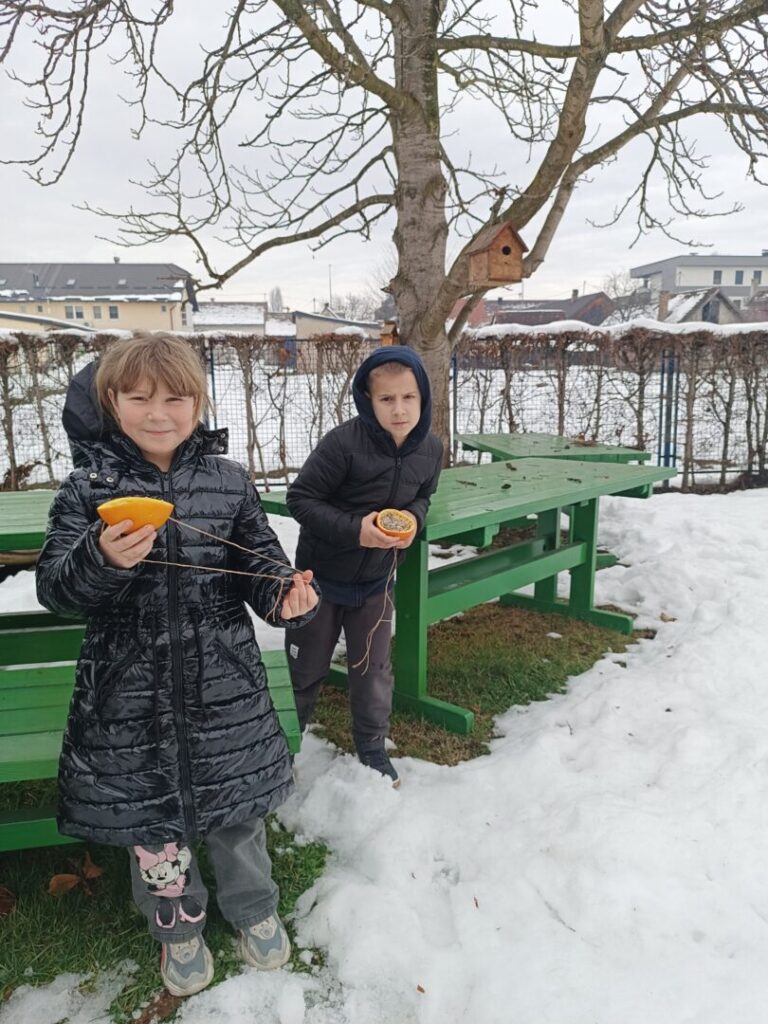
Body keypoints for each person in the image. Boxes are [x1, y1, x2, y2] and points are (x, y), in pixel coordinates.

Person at [36, 333, 319, 998]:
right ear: (111, 402)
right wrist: (102, 558)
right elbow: (55, 588)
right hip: (128, 697)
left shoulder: (228, 482)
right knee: (153, 825)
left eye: (174, 399)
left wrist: (284, 596)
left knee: (237, 815)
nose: (158, 413)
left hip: (224, 687)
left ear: (197, 403)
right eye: (139, 399)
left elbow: (258, 560)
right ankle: (178, 924)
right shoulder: (87, 489)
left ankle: (253, 907)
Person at [285, 345, 443, 786]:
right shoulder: (342, 444)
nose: (399, 409)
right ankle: (283, 745)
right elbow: (301, 499)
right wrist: (357, 530)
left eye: (409, 397)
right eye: (386, 399)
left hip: (376, 582)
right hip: (319, 580)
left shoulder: (431, 449)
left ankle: (372, 746)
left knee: (373, 670)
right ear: (367, 400)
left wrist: (414, 520)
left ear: (423, 397)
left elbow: (423, 496)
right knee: (306, 668)